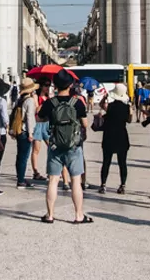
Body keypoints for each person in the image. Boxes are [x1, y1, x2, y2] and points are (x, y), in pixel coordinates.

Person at [37, 69, 92, 224]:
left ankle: (50, 215)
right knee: (75, 180)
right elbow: (85, 123)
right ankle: (78, 215)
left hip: (55, 146)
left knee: (53, 180)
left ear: (55, 85)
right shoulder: (77, 103)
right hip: (74, 146)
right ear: (70, 85)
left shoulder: (50, 102)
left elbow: (40, 119)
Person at [98, 83, 132, 195]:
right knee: (122, 163)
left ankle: (103, 185)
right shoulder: (126, 107)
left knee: (106, 162)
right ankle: (122, 185)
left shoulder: (110, 106)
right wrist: (130, 106)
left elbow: (101, 104)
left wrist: (105, 97)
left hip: (109, 136)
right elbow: (129, 120)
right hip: (122, 136)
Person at [13, 77, 39, 189]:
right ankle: (20, 180)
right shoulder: (29, 101)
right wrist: (31, 133)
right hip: (25, 131)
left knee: (20, 156)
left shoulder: (20, 99)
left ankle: (20, 177)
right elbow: (30, 117)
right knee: (24, 157)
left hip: (18, 130)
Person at [30, 79, 51, 181]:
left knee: (51, 147)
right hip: (38, 124)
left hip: (46, 124)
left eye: (49, 85)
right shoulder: (36, 96)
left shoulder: (48, 97)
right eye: (46, 85)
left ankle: (50, 170)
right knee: (36, 149)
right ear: (41, 86)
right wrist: (45, 103)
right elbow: (37, 110)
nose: (48, 87)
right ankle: (35, 171)